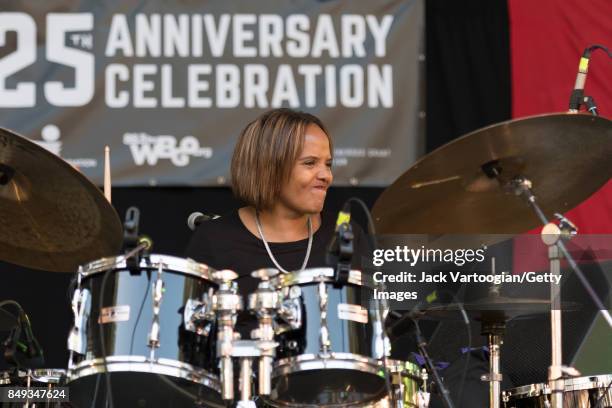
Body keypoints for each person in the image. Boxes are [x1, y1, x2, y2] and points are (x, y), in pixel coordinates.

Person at [185, 108, 369, 333]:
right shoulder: (215, 240)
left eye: (328, 164)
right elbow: (191, 338)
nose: (326, 175)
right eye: (310, 163)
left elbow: (378, 329)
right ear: (269, 167)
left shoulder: (346, 236)